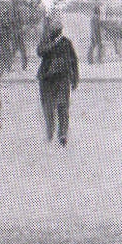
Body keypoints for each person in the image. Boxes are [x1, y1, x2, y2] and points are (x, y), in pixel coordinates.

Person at [37, 15, 79, 146]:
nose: (55, 32)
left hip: (62, 80)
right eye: (53, 29)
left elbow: (73, 60)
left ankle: (62, 135)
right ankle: (50, 132)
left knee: (62, 107)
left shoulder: (66, 43)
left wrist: (75, 78)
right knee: (48, 108)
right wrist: (51, 44)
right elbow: (40, 52)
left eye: (56, 30)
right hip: (47, 80)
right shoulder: (46, 41)